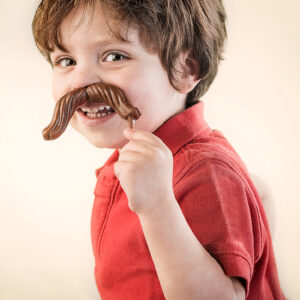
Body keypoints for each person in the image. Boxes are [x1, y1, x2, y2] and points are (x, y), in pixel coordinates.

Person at [32, 1, 286, 299]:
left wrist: (157, 206)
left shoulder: (205, 171)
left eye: (114, 56)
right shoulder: (139, 158)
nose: (80, 81)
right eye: (66, 61)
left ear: (186, 68)